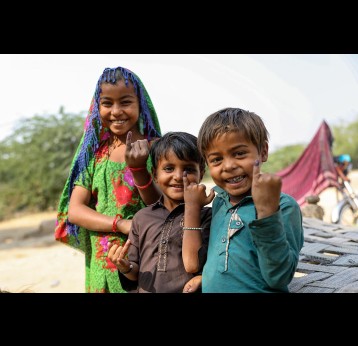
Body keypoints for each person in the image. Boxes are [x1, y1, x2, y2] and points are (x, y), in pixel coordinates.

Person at [55, 66, 162, 293]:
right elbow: (75, 210)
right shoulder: (95, 156)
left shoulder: (156, 150)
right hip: (100, 265)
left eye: (125, 102)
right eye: (107, 103)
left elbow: (163, 205)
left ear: (140, 105)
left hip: (143, 258)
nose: (116, 111)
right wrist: (121, 224)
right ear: (97, 107)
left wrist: (139, 168)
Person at [188, 107, 304, 293]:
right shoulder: (219, 202)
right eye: (216, 159)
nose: (229, 166)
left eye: (239, 153)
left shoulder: (283, 206)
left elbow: (279, 278)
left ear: (263, 151)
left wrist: (267, 214)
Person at [107, 132, 213, 293]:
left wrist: (192, 208)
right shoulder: (142, 218)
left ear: (201, 173)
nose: (178, 176)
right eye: (169, 168)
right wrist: (125, 266)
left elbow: (202, 265)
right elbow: (135, 272)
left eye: (189, 169)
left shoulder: (208, 216)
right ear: (155, 174)